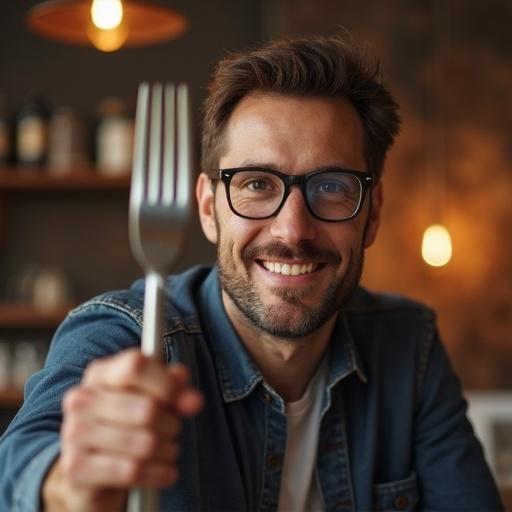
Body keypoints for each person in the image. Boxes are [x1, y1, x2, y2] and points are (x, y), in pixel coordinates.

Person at [0, 34, 504, 512]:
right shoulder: (127, 331)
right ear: (207, 207)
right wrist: (69, 485)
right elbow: (18, 469)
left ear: (371, 214)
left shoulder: (408, 344)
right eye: (257, 183)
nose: (293, 228)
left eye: (331, 187)